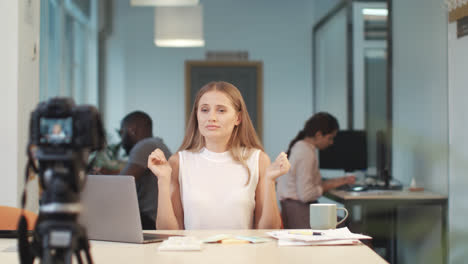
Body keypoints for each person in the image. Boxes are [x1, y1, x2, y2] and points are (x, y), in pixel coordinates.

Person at [147, 81, 290, 230]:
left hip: (242, 252)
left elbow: (269, 230)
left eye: (221, 110)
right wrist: (162, 180)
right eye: (204, 110)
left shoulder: (258, 160)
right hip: (193, 253)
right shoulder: (178, 162)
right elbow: (168, 233)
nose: (211, 117)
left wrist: (270, 180)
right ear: (196, 115)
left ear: (238, 118)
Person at [276, 112, 356, 229]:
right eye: (330, 138)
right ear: (318, 135)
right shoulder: (306, 152)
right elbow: (306, 195)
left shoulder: (301, 147)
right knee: (351, 227)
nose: (331, 142)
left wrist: (340, 181)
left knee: (344, 222)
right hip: (300, 212)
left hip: (294, 210)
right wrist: (325, 187)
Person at [119, 111, 172, 230]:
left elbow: (121, 184)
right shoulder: (155, 144)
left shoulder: (144, 145)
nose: (121, 139)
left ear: (132, 129)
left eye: (122, 132)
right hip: (156, 218)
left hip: (151, 220)